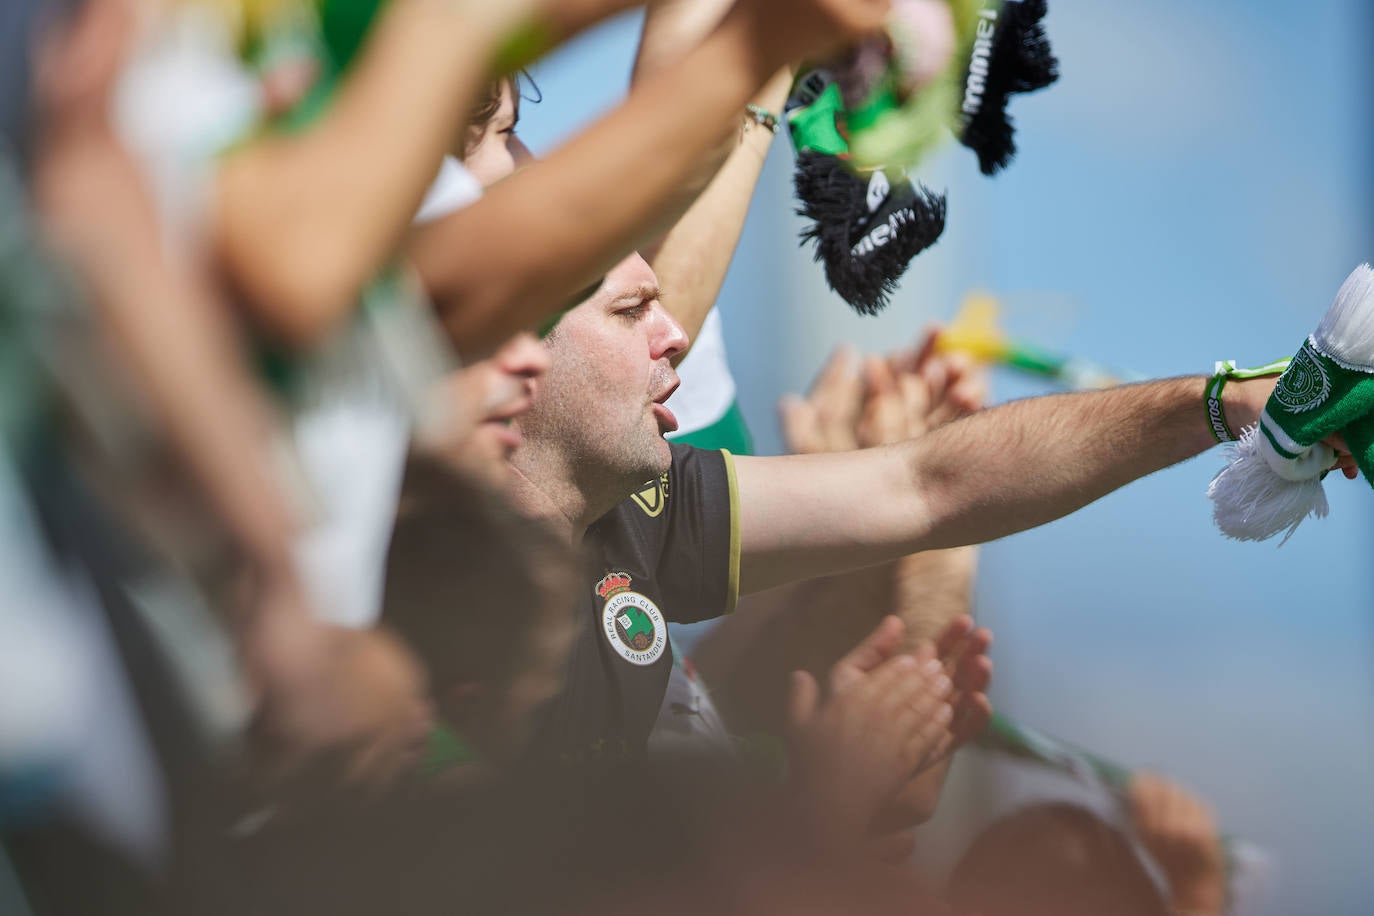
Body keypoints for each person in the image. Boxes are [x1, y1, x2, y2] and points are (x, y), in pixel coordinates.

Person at [501, 250, 1355, 766]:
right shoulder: (416, 567)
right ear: (509, 353)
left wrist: (1224, 404)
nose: (676, 330)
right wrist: (819, 812)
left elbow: (925, 487)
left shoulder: (638, 503)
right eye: (629, 310)